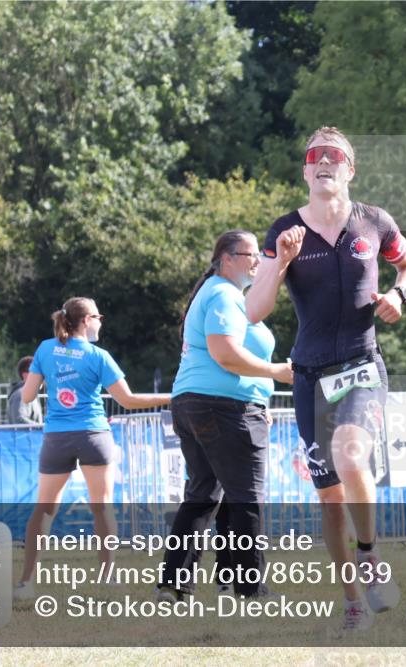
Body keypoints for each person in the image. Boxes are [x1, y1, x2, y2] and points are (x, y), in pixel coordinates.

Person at [245, 126, 406, 630]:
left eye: (335, 156)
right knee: (328, 495)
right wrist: (282, 261)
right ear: (305, 170)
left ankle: (369, 554)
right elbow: (255, 311)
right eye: (314, 156)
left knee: (351, 452)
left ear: (350, 170)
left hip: (362, 364)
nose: (324, 161)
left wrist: (399, 295)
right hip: (309, 375)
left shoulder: (374, 223)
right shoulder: (283, 230)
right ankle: (352, 600)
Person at [157, 230, 293, 602]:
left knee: (202, 494)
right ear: (226, 258)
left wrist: (261, 398)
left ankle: (174, 584)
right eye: (250, 254)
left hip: (202, 403)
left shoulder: (229, 296)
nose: (256, 261)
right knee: (245, 496)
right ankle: (251, 590)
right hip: (222, 406)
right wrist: (277, 373)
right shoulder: (223, 294)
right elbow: (226, 356)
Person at [13, 297, 170, 599]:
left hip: (57, 436)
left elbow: (28, 397)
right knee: (102, 507)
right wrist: (172, 398)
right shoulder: (99, 355)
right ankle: (108, 579)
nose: (101, 321)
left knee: (44, 509)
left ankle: (26, 583)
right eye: (99, 316)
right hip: (94, 434)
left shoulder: (45, 349)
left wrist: (53, 377)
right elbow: (128, 401)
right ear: (86, 321)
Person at [7, 355, 43, 425]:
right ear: (25, 375)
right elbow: (19, 421)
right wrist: (42, 427)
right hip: (25, 436)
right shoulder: (21, 395)